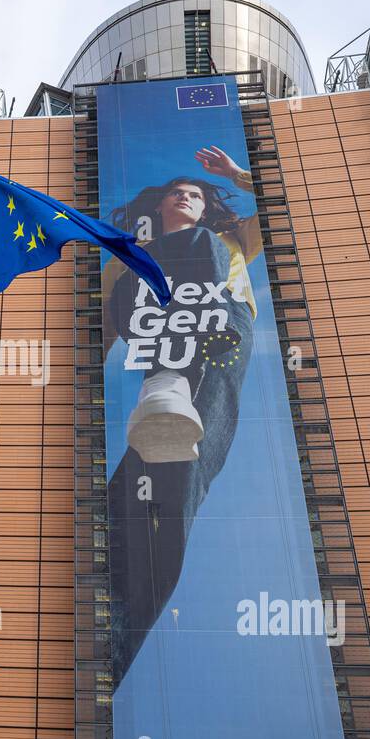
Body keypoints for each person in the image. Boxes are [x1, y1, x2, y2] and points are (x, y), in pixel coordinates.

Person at [103, 144, 262, 684]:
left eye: (195, 193)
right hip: (152, 327)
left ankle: (173, 389)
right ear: (160, 202)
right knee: (133, 263)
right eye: (178, 192)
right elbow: (94, 333)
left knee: (177, 469)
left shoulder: (229, 240)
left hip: (221, 329)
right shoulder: (126, 260)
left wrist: (237, 175)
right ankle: (166, 387)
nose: (187, 197)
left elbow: (288, 201)